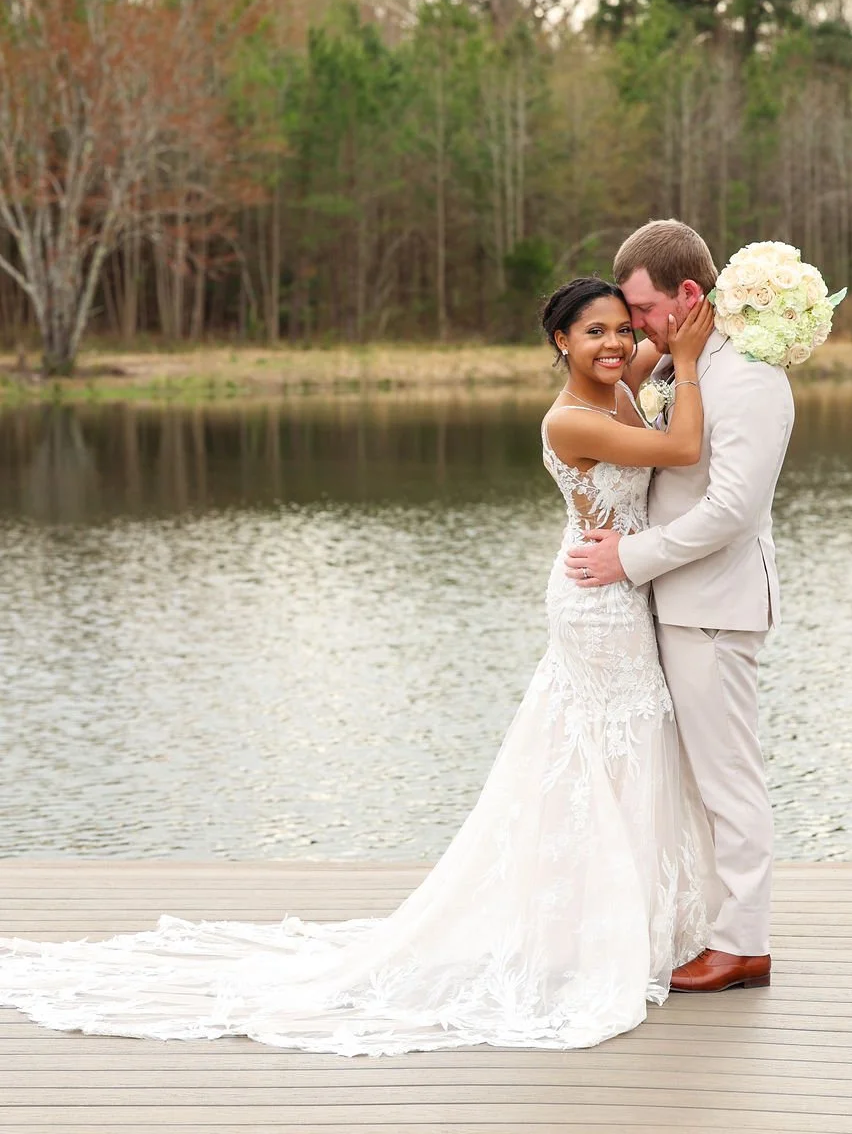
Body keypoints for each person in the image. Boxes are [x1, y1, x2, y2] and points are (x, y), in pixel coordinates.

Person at [0, 276, 723, 1056]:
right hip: (595, 604)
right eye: (594, 333)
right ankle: (593, 933)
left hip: (617, 591)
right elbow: (682, 445)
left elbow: (667, 334)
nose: (617, 344)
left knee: (622, 748)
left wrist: (713, 319)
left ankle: (617, 919)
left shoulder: (616, 381)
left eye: (623, 329)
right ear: (559, 344)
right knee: (607, 752)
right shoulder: (573, 418)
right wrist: (682, 363)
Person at [566, 220, 795, 993]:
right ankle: (709, 925)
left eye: (641, 312)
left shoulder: (752, 379)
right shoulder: (689, 364)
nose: (634, 332)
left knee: (729, 778)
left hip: (716, 607)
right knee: (697, 779)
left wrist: (629, 558)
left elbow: (731, 509)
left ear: (688, 296)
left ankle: (744, 944)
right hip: (677, 603)